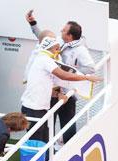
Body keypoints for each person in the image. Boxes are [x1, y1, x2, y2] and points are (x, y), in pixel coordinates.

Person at [26, 11, 95, 143]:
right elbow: (43, 39)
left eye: (63, 30)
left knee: (68, 124)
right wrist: (33, 24)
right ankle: (49, 152)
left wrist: (69, 70)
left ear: (69, 36)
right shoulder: (59, 40)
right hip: (52, 92)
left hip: (67, 93)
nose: (60, 31)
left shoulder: (80, 50)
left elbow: (90, 68)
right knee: (47, 124)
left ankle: (71, 149)